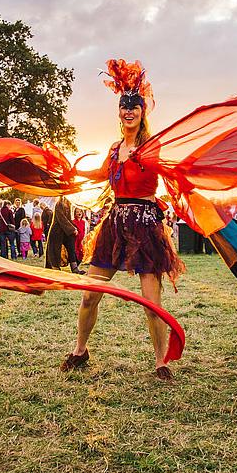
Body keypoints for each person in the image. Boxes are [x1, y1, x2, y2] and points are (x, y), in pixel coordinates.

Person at [63, 59, 185, 381]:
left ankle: (161, 362)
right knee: (90, 294)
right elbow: (103, 173)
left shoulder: (153, 148)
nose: (129, 111)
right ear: (119, 113)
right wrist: (74, 172)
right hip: (115, 225)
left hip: (146, 226)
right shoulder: (115, 148)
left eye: (135, 106)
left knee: (151, 303)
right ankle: (80, 350)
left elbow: (172, 169)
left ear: (143, 112)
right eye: (124, 106)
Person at [45, 195, 79, 272]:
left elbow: (68, 218)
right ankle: (54, 267)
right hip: (57, 230)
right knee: (54, 249)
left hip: (66, 230)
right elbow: (61, 218)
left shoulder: (68, 204)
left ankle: (74, 267)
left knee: (71, 247)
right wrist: (72, 229)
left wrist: (74, 228)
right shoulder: (59, 204)